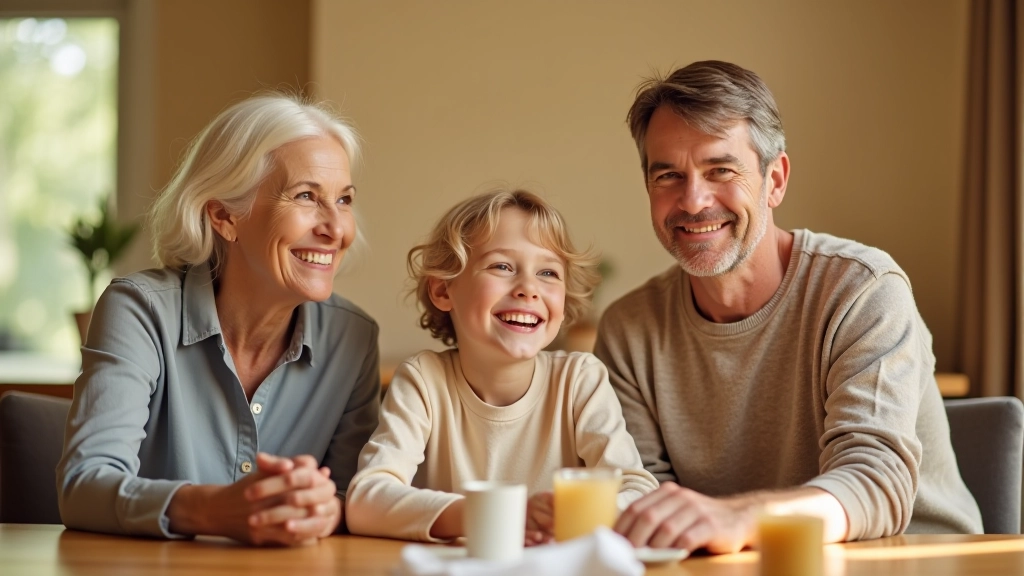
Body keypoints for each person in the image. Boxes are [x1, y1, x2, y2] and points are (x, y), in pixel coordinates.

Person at [595, 60, 983, 553]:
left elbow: (875, 486)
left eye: (721, 170)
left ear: (774, 179)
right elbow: (646, 501)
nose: (692, 201)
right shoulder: (630, 330)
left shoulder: (862, 289)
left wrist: (738, 516)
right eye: (668, 175)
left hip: (914, 561)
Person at [57, 94, 381, 546]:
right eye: (307, 196)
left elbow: (355, 496)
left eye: (343, 200)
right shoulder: (141, 311)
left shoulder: (354, 337)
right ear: (225, 215)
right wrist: (215, 510)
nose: (336, 228)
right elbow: (83, 486)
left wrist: (328, 510)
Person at [345, 189, 658, 543]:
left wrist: (571, 518)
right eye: (502, 267)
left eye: (548, 272)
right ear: (443, 291)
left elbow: (639, 490)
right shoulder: (423, 381)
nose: (529, 288)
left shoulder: (579, 380)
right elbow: (366, 499)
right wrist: (500, 515)